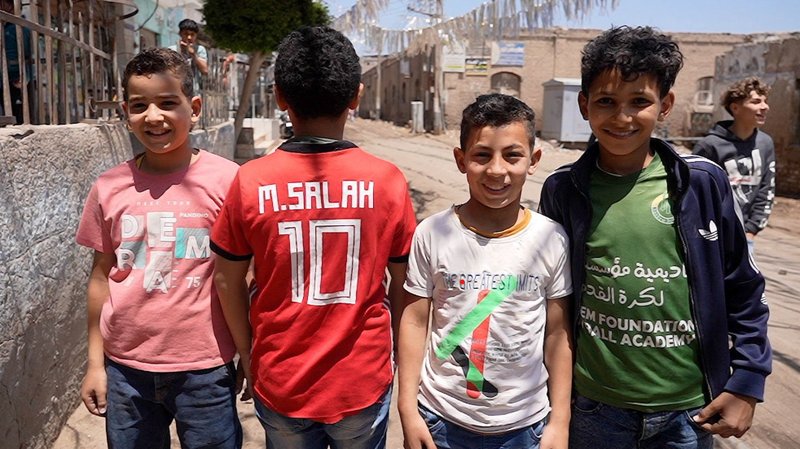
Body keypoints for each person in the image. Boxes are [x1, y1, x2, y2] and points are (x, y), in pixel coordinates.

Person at [538, 26, 771, 449]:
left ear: (664, 106)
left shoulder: (702, 182)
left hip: (689, 412)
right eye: (606, 101)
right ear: (584, 105)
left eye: (639, 102)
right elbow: (551, 302)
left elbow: (744, 286)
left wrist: (747, 382)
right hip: (593, 410)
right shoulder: (563, 190)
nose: (622, 117)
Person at [210, 26, 417, 449]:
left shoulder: (250, 181)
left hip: (280, 380)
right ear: (356, 96)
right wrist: (398, 356)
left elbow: (227, 280)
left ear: (279, 96)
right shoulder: (387, 181)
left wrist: (248, 357)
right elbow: (406, 285)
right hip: (362, 381)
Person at [76, 47, 242, 449]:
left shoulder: (229, 181)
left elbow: (242, 279)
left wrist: (248, 356)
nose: (153, 117)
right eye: (139, 105)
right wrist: (95, 364)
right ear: (124, 111)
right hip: (125, 370)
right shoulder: (108, 187)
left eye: (168, 103)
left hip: (205, 369)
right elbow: (101, 277)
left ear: (195, 107)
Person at [397, 93, 573, 449]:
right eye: (481, 155)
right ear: (461, 160)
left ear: (534, 160)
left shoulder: (550, 238)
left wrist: (560, 421)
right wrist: (408, 409)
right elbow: (414, 321)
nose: (496, 170)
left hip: (525, 425)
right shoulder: (432, 232)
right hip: (441, 419)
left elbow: (557, 334)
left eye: (512, 155)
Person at [693, 77, 775, 248]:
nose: (765, 107)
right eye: (756, 101)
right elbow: (695, 192)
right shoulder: (710, 146)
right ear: (735, 108)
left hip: (746, 237)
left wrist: (752, 229)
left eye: (765, 101)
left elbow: (766, 189)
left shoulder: (765, 143)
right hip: (713, 236)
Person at [1, 0, 33, 124]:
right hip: (2, 75)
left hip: (15, 75)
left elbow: (27, 55)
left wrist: (25, 76)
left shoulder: (20, 27)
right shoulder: (3, 26)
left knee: (16, 110)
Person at [168, 18, 208, 94]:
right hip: (175, 90)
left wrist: (193, 54)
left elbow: (205, 70)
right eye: (186, 34)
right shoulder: (172, 50)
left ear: (196, 36)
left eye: (192, 35)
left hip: (194, 91)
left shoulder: (200, 49)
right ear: (180, 34)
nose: (189, 37)